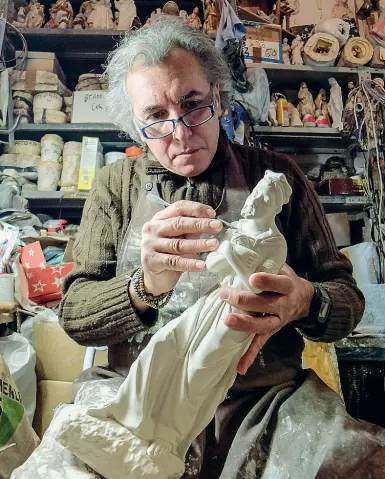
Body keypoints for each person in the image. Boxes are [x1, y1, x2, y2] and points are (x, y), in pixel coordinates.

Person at [13, 18, 385, 479]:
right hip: (135, 394)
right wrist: (142, 287)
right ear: (136, 124)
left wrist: (306, 300)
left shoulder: (279, 177)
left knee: (362, 461)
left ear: (218, 97)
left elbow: (347, 300)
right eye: (155, 118)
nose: (182, 133)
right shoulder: (115, 185)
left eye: (193, 106)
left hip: (260, 400)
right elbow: (76, 315)